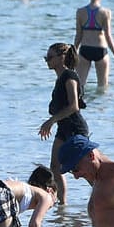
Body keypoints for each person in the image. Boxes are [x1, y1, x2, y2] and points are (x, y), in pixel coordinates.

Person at [39, 43, 89, 203]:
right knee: (55, 167)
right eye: (46, 58)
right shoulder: (60, 78)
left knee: (84, 168)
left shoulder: (69, 77)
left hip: (75, 128)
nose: (47, 61)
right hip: (63, 128)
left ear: (62, 57)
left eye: (50, 57)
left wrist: (51, 120)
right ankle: (62, 206)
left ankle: (104, 194)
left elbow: (74, 106)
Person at [73, 0, 114, 89]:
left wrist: (73, 51)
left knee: (80, 85)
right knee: (102, 87)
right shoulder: (106, 12)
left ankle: (80, 104)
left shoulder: (80, 12)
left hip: (85, 49)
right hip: (100, 49)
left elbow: (78, 35)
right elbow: (108, 35)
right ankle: (99, 105)